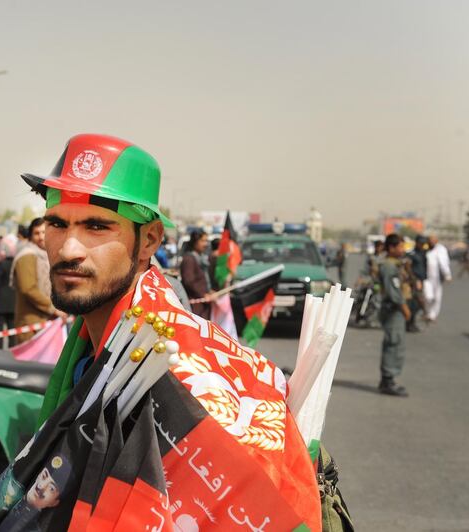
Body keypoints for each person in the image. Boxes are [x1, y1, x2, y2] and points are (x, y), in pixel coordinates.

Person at [20, 133, 320, 528]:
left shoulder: (176, 374)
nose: (69, 249)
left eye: (96, 226)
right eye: (57, 223)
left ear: (149, 240)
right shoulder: (100, 343)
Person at [12, 218, 65, 342]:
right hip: (32, 324)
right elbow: (28, 289)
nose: (41, 237)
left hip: (48, 324)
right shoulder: (27, 256)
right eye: (37, 233)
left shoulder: (47, 256)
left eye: (44, 232)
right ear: (30, 236)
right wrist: (53, 308)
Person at [378, 233, 412, 397]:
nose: (402, 249)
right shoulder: (389, 266)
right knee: (393, 342)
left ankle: (389, 379)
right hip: (393, 309)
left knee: (396, 342)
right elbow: (394, 291)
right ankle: (387, 380)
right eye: (399, 246)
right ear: (391, 248)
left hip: (395, 308)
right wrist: (404, 308)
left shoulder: (396, 264)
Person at [0, 235, 18, 349]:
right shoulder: (17, 264)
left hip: (1, 300)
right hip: (13, 300)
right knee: (12, 328)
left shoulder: (0, 265)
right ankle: (12, 348)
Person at [179, 230, 212, 319]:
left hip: (203, 305)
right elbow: (189, 281)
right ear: (195, 242)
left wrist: (209, 292)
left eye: (206, 241)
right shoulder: (189, 259)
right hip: (194, 307)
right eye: (203, 241)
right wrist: (202, 295)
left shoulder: (201, 258)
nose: (206, 244)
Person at [424, 234, 452, 322]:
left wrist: (447, 275)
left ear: (436, 240)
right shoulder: (426, 249)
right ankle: (427, 312)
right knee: (428, 296)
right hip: (426, 277)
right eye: (429, 240)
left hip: (437, 277)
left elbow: (444, 263)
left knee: (437, 297)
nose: (431, 242)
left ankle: (432, 315)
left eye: (432, 240)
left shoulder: (441, 249)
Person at [407, 235, 428, 332]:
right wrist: (414, 280)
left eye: (423, 243)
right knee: (415, 302)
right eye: (421, 243)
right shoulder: (412, 254)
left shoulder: (423, 253)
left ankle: (411, 322)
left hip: (421, 280)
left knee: (416, 304)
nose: (422, 245)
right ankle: (409, 323)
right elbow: (408, 268)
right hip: (414, 281)